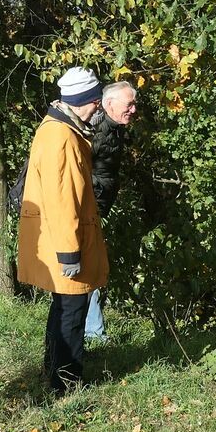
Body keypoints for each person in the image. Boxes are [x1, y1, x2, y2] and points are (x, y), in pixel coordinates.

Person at [17, 67, 109, 395]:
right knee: (71, 312)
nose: (97, 107)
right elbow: (62, 200)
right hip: (63, 241)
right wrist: (69, 252)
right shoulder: (62, 137)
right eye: (95, 101)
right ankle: (66, 383)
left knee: (62, 308)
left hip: (58, 237)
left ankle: (54, 371)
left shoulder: (57, 127)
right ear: (81, 101)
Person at [84, 81, 139, 343]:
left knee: (91, 269)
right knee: (87, 270)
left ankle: (91, 332)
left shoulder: (114, 128)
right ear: (109, 104)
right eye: (129, 104)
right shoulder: (94, 129)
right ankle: (93, 334)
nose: (134, 109)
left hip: (96, 209)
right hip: (85, 212)